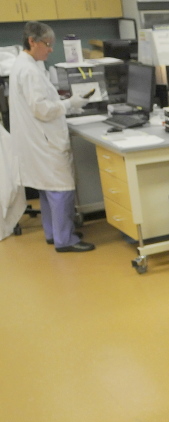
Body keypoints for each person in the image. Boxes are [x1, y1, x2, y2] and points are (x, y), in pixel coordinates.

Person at [9, 21, 93, 252]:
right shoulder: (28, 70)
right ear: (32, 42)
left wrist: (66, 105)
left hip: (37, 140)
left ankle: (54, 233)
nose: (50, 49)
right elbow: (42, 109)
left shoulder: (27, 65)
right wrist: (69, 104)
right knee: (60, 189)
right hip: (44, 141)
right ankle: (64, 240)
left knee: (47, 189)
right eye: (47, 44)